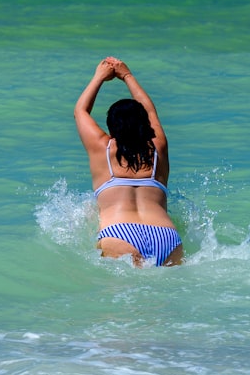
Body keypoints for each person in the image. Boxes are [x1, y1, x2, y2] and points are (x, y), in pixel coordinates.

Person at [74, 57, 183, 266]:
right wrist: (127, 75)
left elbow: (81, 111)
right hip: (166, 237)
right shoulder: (158, 148)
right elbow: (150, 111)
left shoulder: (102, 148)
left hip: (119, 234)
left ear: (111, 128)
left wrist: (99, 77)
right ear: (146, 125)